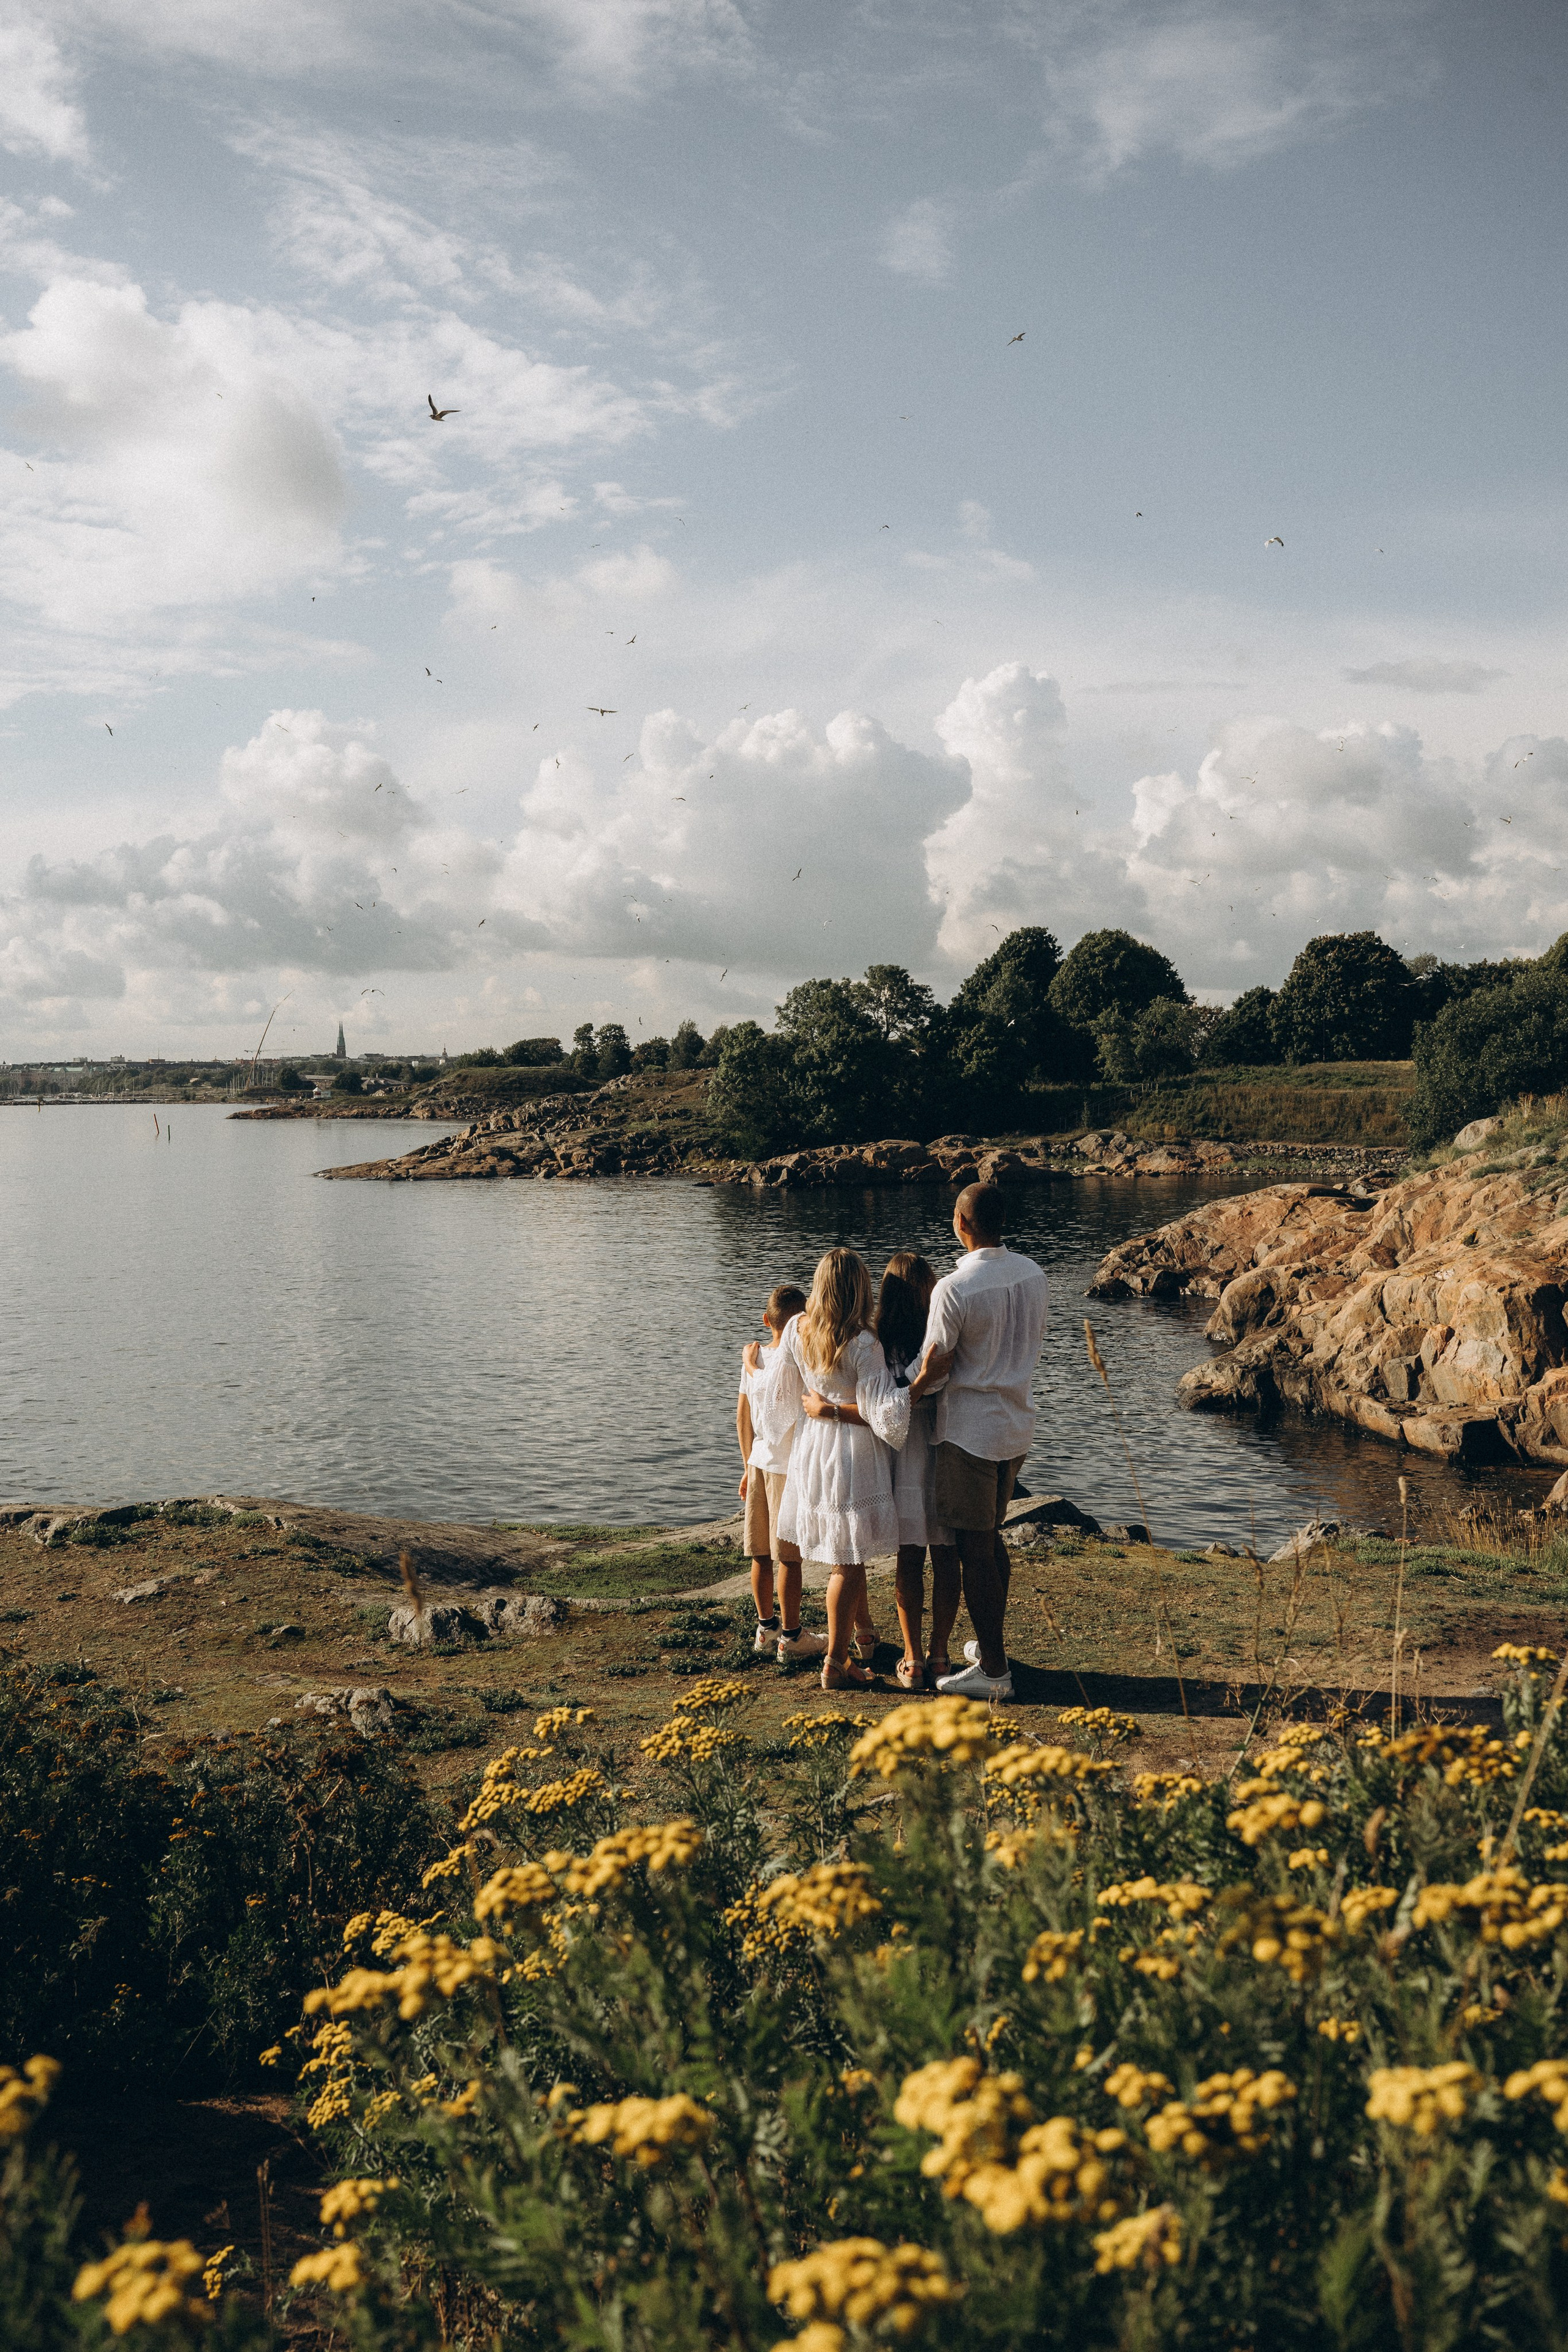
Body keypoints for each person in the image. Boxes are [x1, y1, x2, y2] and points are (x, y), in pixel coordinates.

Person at [756, 1247, 917, 1691]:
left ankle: (851, 1644)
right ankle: (835, 1661)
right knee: (847, 1559)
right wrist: (918, 1386)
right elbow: (881, 1414)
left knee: (847, 1556)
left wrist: (816, 1409)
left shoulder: (796, 1329)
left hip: (812, 1449)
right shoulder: (864, 1342)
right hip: (850, 1453)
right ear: (860, 1287)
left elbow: (783, 1395)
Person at [916, 1182, 1048, 1703]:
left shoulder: (954, 1287)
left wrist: (902, 1394)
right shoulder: (1034, 1274)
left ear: (962, 1223)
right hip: (1016, 1422)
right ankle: (992, 1648)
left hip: (969, 1431)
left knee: (974, 1548)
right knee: (989, 1540)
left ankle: (994, 1669)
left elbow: (935, 1364)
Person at [821, 1253, 960, 1690]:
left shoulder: (877, 1339)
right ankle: (939, 1654)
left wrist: (827, 1409)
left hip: (900, 1457)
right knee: (946, 1555)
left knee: (910, 1559)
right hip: (943, 1447)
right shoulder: (943, 1335)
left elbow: (876, 1405)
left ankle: (913, 1658)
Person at [736, 1284, 824, 1664]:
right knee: (788, 1556)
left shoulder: (755, 1359)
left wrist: (746, 1465)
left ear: (766, 1320)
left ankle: (766, 1628)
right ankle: (791, 1636)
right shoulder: (804, 1359)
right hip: (788, 1469)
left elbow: (744, 1417)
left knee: (760, 1553)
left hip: (758, 1463)